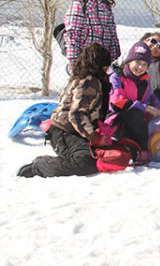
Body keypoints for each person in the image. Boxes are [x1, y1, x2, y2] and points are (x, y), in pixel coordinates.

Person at [17, 44, 112, 178]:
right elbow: (76, 114)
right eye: (105, 65)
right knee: (86, 162)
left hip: (76, 132)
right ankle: (40, 166)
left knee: (102, 155)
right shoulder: (89, 81)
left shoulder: (92, 80)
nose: (107, 69)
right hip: (64, 132)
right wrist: (94, 137)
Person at [109, 42, 160, 152]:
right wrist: (144, 107)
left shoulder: (145, 80)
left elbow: (151, 101)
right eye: (137, 62)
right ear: (129, 61)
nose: (140, 67)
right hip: (116, 122)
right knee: (136, 114)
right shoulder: (117, 77)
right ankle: (139, 148)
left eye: (144, 64)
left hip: (138, 122)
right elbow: (116, 103)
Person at [63, 0, 121, 65]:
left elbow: (112, 33)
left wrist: (115, 58)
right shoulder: (80, 2)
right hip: (85, 58)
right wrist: (74, 59)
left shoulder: (106, 5)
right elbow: (72, 32)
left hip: (104, 58)